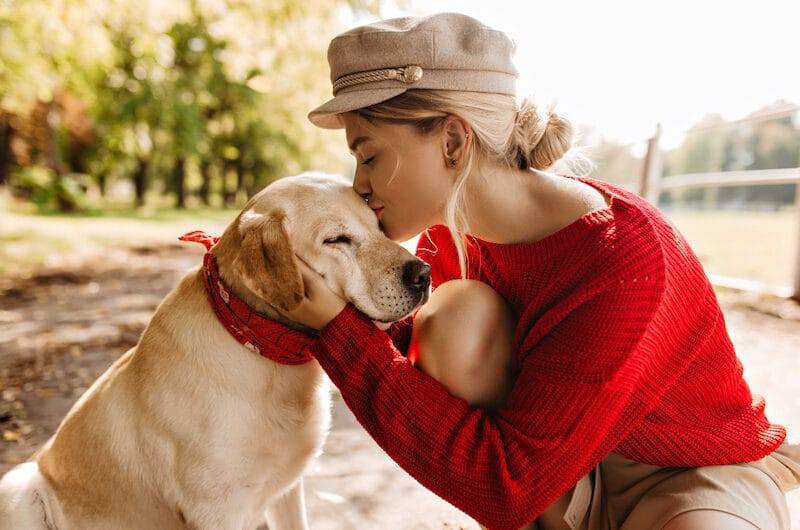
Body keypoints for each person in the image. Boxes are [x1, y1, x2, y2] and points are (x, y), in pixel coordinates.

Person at [271, 12, 800, 530]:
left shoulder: (626, 259)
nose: (359, 184)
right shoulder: (448, 241)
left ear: (452, 143)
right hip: (559, 485)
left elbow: (506, 487)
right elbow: (397, 365)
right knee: (456, 314)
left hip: (683, 474)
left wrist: (336, 331)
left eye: (368, 156)